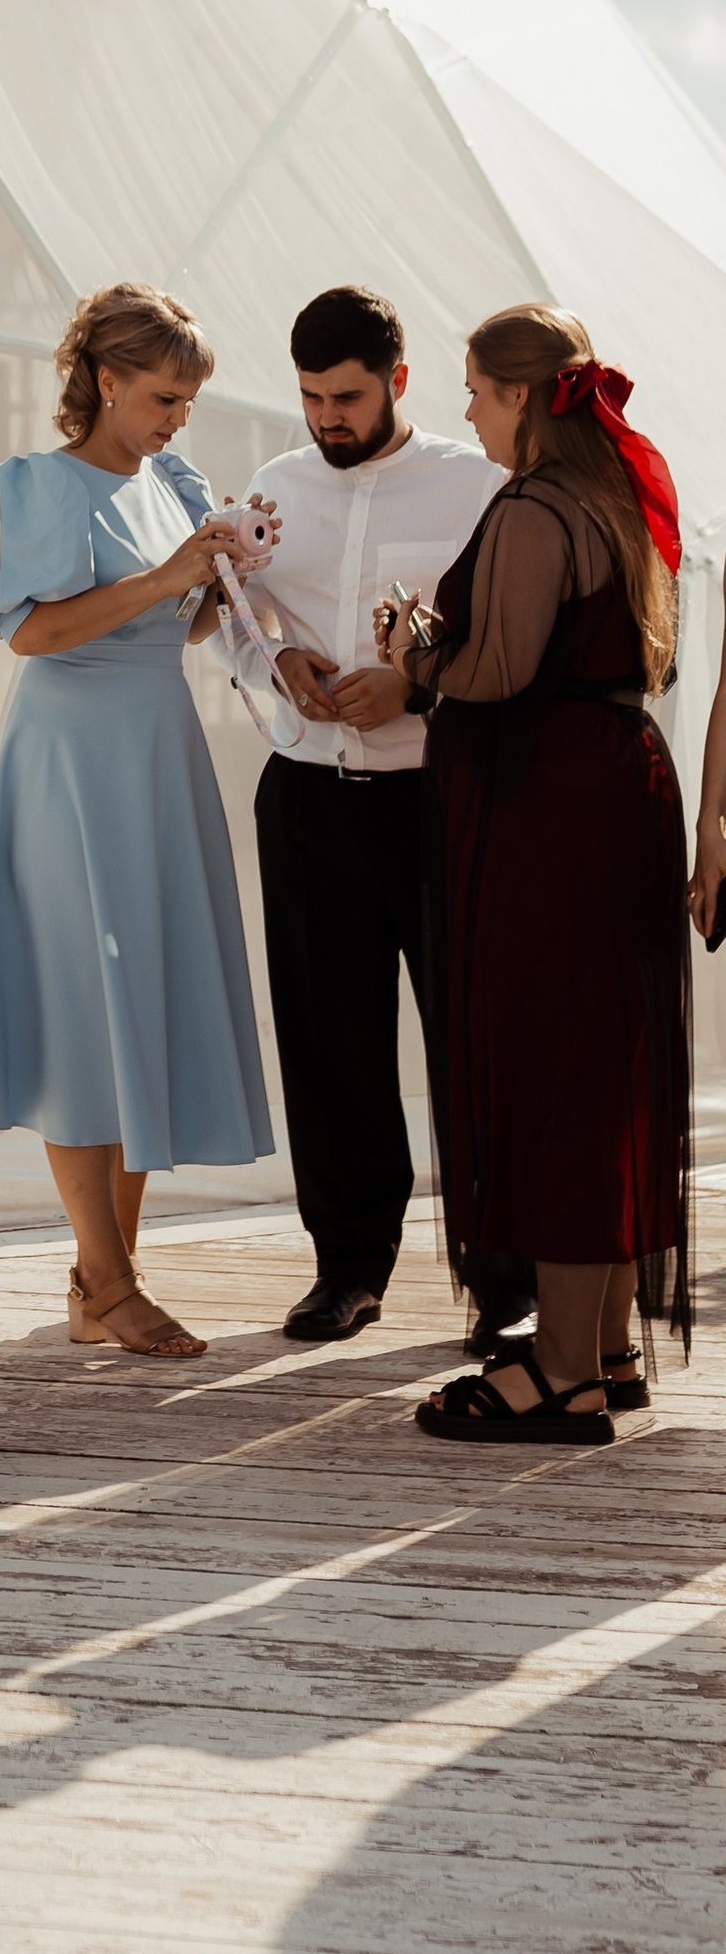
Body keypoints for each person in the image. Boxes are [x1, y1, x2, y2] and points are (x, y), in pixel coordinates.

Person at [0, 282, 274, 1358]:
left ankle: (104, 1284)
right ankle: (107, 1275)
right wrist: (170, 576)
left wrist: (219, 584)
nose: (177, 419)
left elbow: (170, 631)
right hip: (71, 767)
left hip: (152, 753)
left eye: (186, 401)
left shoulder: (172, 482)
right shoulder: (38, 484)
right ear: (101, 380)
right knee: (83, 1015)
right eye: (162, 397)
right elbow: (29, 635)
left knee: (132, 1005)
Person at [389, 309, 694, 1447]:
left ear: (520, 397)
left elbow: (501, 669)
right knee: (602, 1074)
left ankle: (561, 1374)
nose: (466, 411)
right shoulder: (616, 502)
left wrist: (415, 655)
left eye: (474, 390)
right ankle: (603, 1350)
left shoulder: (531, 508)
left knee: (556, 1075)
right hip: (616, 793)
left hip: (546, 814)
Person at [228, 286, 522, 1347]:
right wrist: (277, 660)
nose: (325, 420)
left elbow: (509, 634)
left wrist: (419, 689)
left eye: (345, 397)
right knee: (327, 1042)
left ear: (397, 381)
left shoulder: (480, 488)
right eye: (310, 398)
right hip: (307, 800)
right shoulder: (273, 485)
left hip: (442, 804)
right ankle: (347, 1268)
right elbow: (238, 609)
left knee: (471, 1041)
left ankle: (506, 1279)